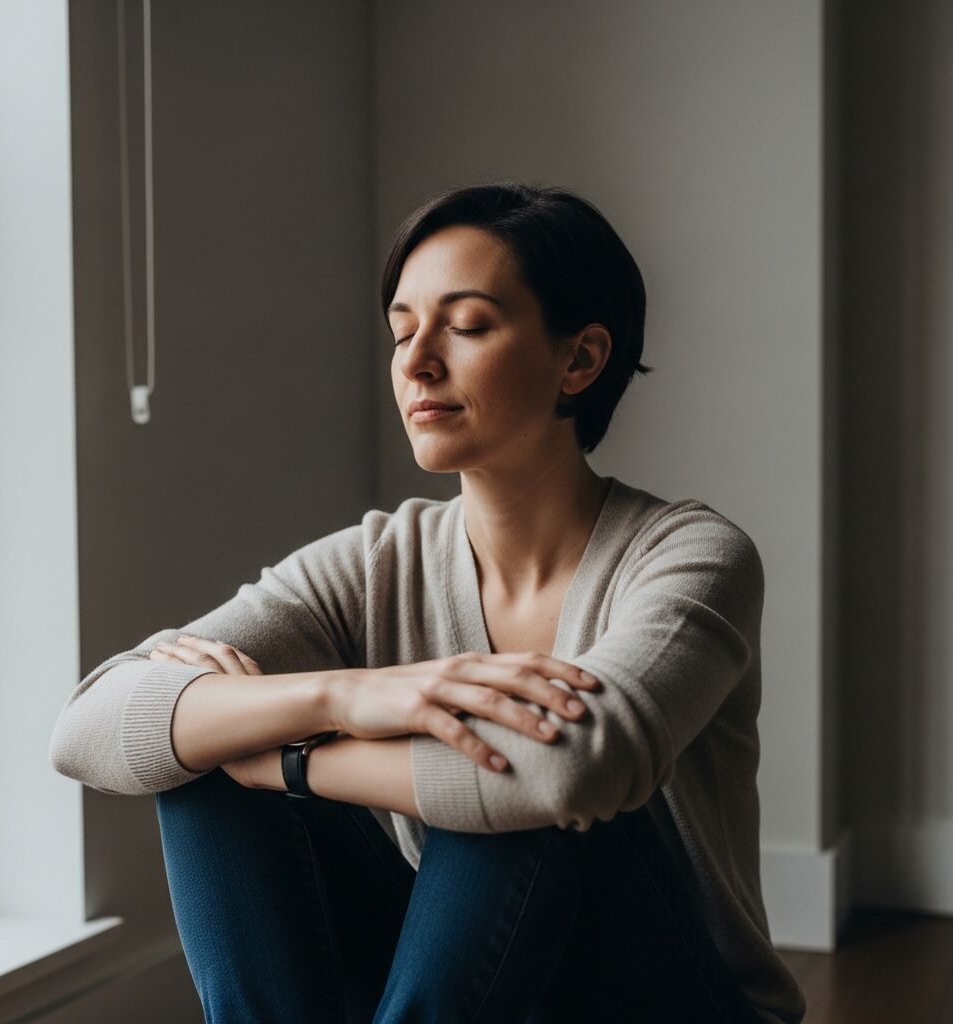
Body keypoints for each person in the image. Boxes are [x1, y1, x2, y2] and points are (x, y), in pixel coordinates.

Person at [49, 181, 806, 1024]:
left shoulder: (692, 556)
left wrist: (283, 758)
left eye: (469, 325)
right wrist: (342, 695)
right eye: (402, 332)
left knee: (518, 780)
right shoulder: (378, 561)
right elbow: (86, 725)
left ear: (581, 360)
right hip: (481, 977)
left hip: (673, 999)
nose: (415, 363)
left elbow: (565, 772)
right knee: (199, 769)